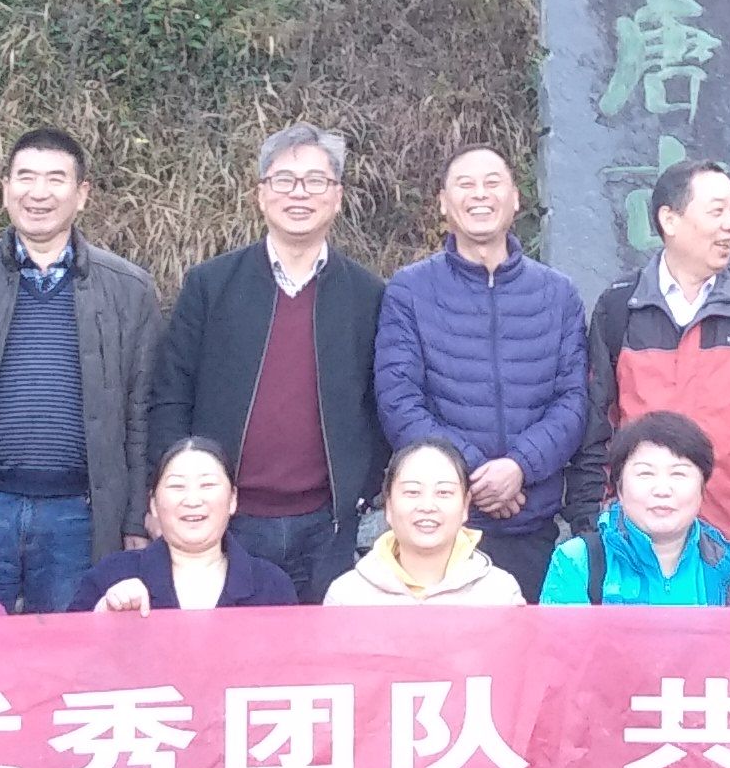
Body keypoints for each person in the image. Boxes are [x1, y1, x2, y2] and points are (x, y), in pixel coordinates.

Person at [0, 127, 162, 615]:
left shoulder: (129, 289)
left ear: (82, 194)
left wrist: (133, 518)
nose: (38, 193)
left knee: (73, 649)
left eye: (55, 179)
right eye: (25, 177)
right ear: (5, 189)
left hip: (80, 517)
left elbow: (140, 415)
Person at [148, 124, 389, 601]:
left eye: (315, 181)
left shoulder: (368, 294)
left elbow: (380, 402)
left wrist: (360, 491)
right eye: (284, 180)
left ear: (337, 197)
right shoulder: (210, 286)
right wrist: (167, 492)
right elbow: (171, 395)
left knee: (321, 645)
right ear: (261, 194)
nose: (299, 193)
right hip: (225, 521)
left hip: (328, 524)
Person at [571, 159, 730, 563]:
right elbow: (596, 437)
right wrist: (592, 535)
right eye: (717, 211)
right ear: (669, 220)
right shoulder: (620, 307)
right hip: (637, 559)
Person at [371, 143, 590, 589]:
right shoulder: (410, 291)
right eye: (465, 184)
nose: (480, 195)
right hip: (440, 526)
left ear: (516, 199)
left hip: (532, 519)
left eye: (493, 183)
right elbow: (399, 401)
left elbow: (573, 399)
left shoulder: (557, 293)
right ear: (443, 202)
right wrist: (473, 477)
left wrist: (519, 467)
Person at [543, 410, 730, 607]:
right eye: (645, 474)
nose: (662, 490)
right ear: (619, 488)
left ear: (702, 488)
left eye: (678, 474)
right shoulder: (579, 561)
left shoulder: (729, 568)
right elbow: (559, 639)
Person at [85, 437, 305, 612]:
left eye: (207, 485)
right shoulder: (112, 574)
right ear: (153, 504)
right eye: (177, 486)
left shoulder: (271, 585)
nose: (192, 500)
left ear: (232, 500)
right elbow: (73, 648)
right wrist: (102, 615)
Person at [326, 436, 528, 606]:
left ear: (465, 505)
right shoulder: (347, 597)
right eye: (412, 492)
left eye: (444, 492)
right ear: (388, 505)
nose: (427, 506)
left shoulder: (500, 594)